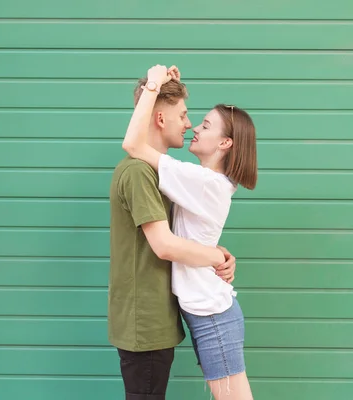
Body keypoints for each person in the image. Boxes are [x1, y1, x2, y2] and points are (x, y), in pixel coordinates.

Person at [121, 64, 257, 400]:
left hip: (212, 314)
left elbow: (132, 142)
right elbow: (196, 237)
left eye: (205, 125)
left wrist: (154, 85)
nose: (194, 126)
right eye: (189, 117)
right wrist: (218, 254)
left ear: (224, 142)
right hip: (206, 311)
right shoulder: (202, 182)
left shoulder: (204, 182)